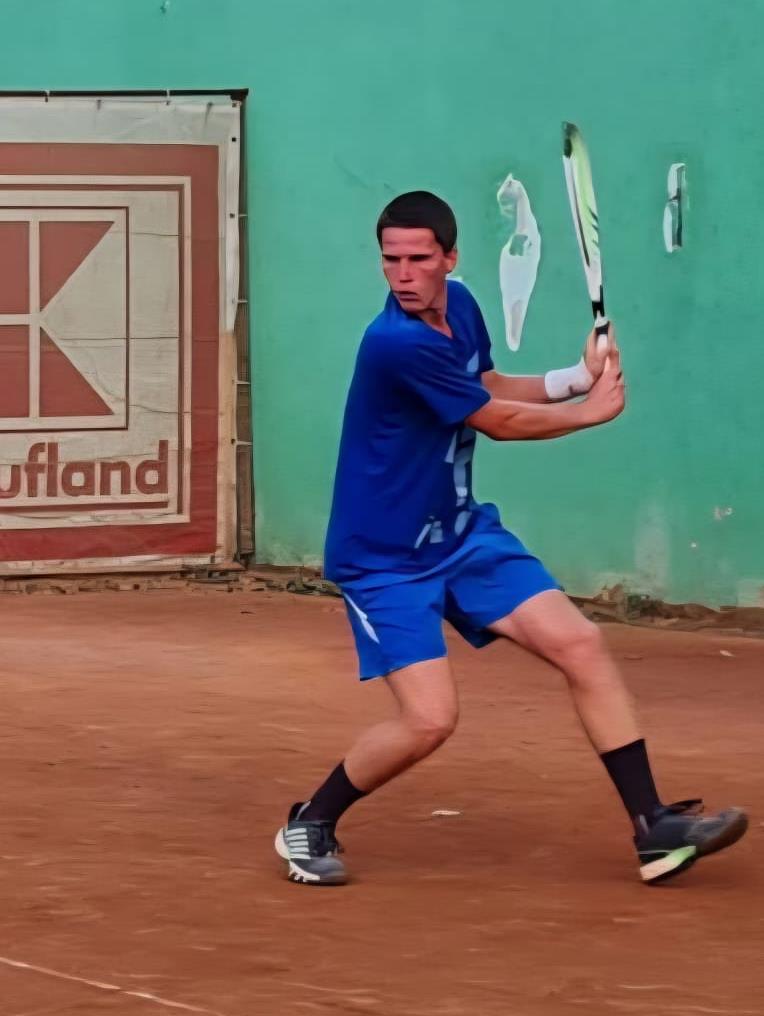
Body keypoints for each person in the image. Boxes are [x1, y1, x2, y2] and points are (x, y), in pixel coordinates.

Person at [275, 191, 747, 887]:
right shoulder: (393, 343)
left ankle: (653, 827)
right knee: (430, 721)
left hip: (461, 535)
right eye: (390, 260)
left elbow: (487, 384)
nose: (403, 274)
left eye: (418, 259)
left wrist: (575, 378)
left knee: (580, 643)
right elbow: (496, 420)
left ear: (450, 258)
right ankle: (310, 820)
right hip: (385, 561)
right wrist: (589, 413)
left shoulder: (460, 305)